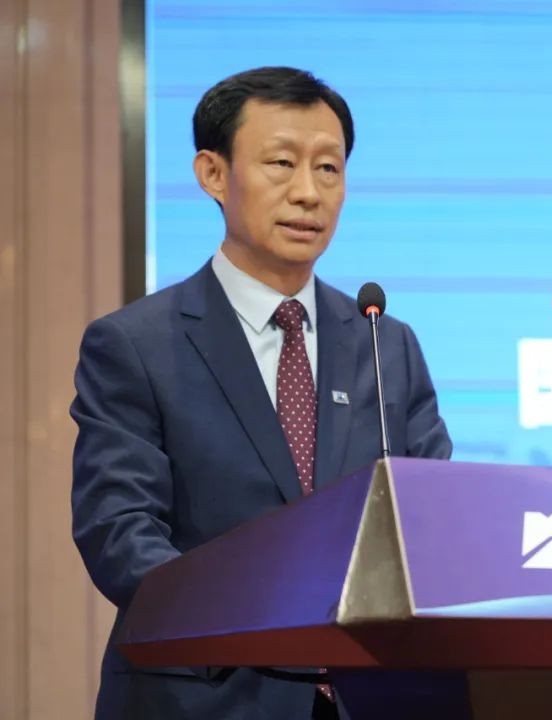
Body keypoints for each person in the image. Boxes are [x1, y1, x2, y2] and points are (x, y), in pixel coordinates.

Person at [70, 66, 452, 720]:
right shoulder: (135, 345)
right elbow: (120, 530)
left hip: (372, 697)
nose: (308, 192)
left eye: (328, 169)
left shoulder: (384, 343)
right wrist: (264, 622)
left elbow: (435, 520)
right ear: (213, 174)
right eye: (281, 163)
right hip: (205, 696)